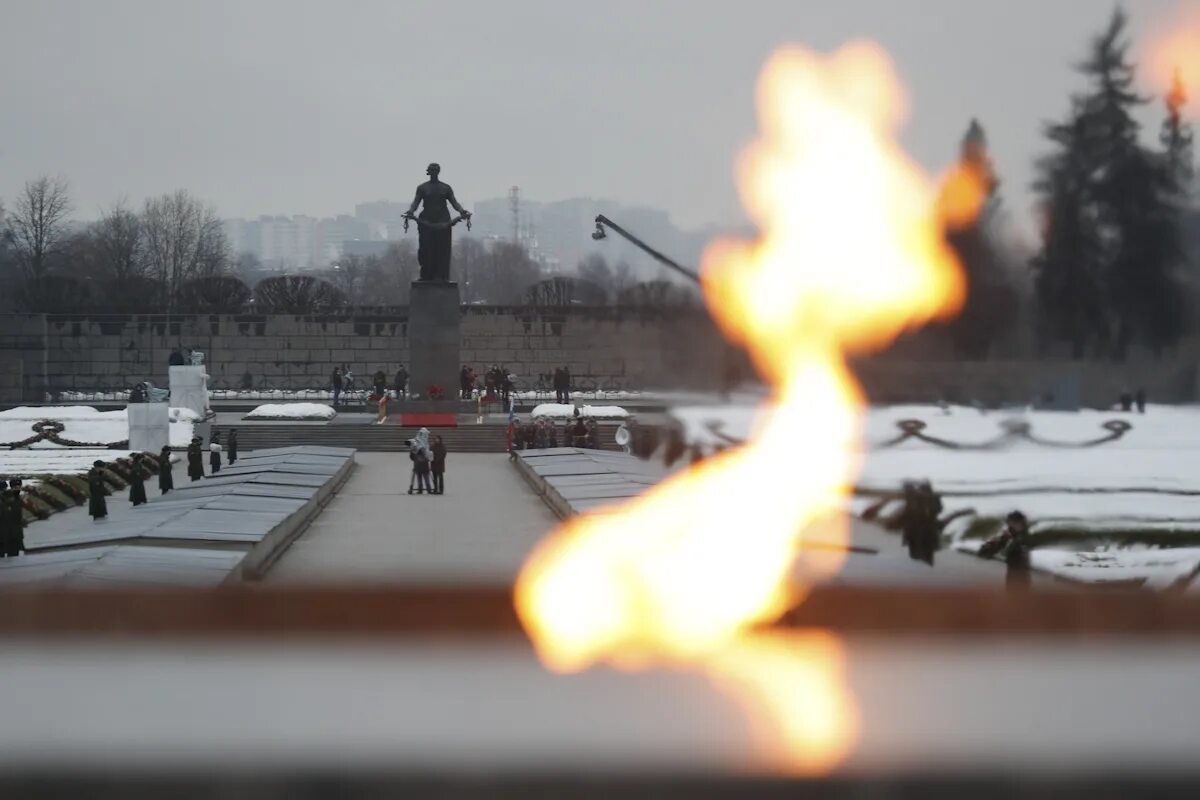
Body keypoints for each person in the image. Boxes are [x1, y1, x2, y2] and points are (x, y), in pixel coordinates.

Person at [405, 162, 472, 282]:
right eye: (432, 170)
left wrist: (462, 211)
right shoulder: (422, 188)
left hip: (443, 222)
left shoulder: (446, 188)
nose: (434, 172)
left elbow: (454, 202)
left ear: (438, 172)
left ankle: (440, 275)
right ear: (429, 172)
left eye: (436, 170)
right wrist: (410, 211)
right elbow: (416, 202)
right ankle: (426, 275)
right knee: (426, 249)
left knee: (442, 250)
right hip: (426, 222)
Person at [979, 511, 1034, 590]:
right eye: (1011, 523)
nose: (1013, 525)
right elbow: (999, 542)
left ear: (1021, 523)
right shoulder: (1010, 534)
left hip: (1021, 576)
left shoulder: (1024, 537)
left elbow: (1022, 553)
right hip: (1012, 574)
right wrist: (987, 548)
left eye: (1015, 523)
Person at [898, 480, 942, 566]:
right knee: (917, 556)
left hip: (924, 531)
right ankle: (921, 569)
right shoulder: (912, 498)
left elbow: (938, 509)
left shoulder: (930, 497)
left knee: (923, 556)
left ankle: (923, 569)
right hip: (918, 531)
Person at [2, 479, 26, 557]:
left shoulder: (17, 499)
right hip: (6, 534)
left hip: (15, 533)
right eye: (15, 487)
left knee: (13, 555)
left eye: (19, 487)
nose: (18, 489)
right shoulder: (6, 500)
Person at [408, 428, 433, 494]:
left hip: (419, 464)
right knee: (425, 477)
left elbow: (412, 454)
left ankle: (421, 489)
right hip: (422, 464)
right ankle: (428, 489)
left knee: (421, 477)